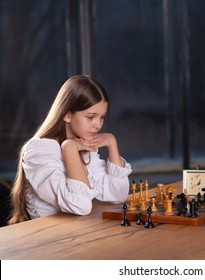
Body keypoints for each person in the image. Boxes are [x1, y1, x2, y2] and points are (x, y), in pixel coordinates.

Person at [9, 75, 132, 224]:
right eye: (91, 117)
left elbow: (118, 195)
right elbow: (80, 206)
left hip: (76, 233)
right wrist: (69, 148)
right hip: (47, 239)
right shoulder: (39, 151)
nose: (98, 125)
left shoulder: (83, 145)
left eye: (102, 117)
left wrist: (112, 143)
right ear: (67, 115)